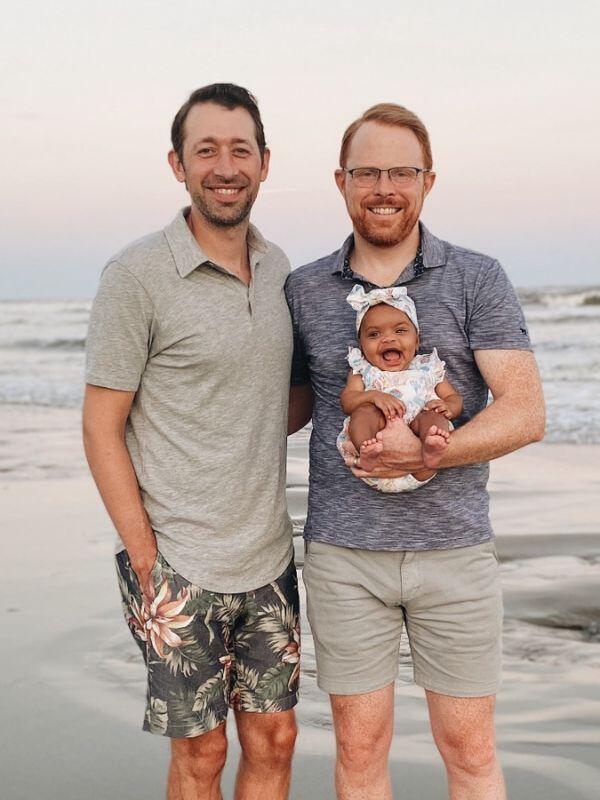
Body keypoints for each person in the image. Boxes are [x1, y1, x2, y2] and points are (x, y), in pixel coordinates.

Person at [285, 103, 545, 800]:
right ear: (340, 181)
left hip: (454, 552)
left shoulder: (476, 277)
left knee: (470, 750)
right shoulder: (305, 288)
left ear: (429, 180)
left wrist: (428, 451)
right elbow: (282, 406)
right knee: (361, 750)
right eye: (366, 171)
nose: (383, 186)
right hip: (345, 557)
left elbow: (525, 411)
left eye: (401, 170)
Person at [83, 83, 300, 800]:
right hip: (179, 567)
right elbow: (101, 424)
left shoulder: (281, 272)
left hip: (269, 559)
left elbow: (281, 404)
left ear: (265, 163)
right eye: (205, 150)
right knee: (202, 755)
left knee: (275, 739)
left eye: (241, 149)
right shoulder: (136, 276)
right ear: (178, 164)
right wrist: (148, 562)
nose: (225, 166)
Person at [338, 283, 463, 491]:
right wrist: (373, 396)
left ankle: (431, 449)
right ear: (361, 347)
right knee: (364, 413)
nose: (388, 338)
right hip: (372, 465)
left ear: (417, 341)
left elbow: (453, 397)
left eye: (400, 330)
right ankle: (367, 451)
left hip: (420, 463)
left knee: (432, 417)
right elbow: (348, 401)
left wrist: (448, 406)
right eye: (374, 334)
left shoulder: (428, 367)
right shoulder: (363, 369)